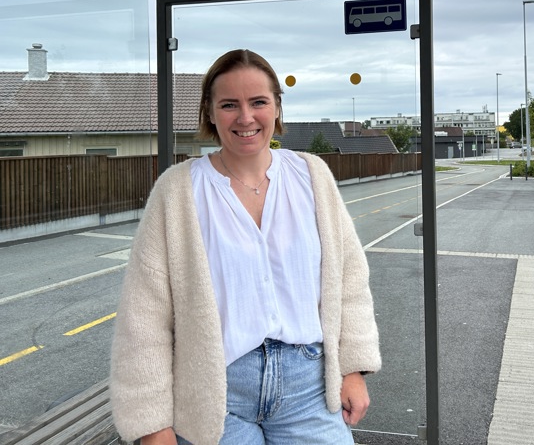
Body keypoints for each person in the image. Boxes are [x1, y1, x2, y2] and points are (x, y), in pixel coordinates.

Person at [110, 49, 381, 445]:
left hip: (308, 388)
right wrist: (152, 426)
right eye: (229, 105)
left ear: (276, 106)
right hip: (214, 398)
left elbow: (350, 280)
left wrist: (352, 368)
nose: (245, 117)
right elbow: (144, 317)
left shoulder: (312, 175)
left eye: (258, 102)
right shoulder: (178, 191)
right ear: (209, 111)